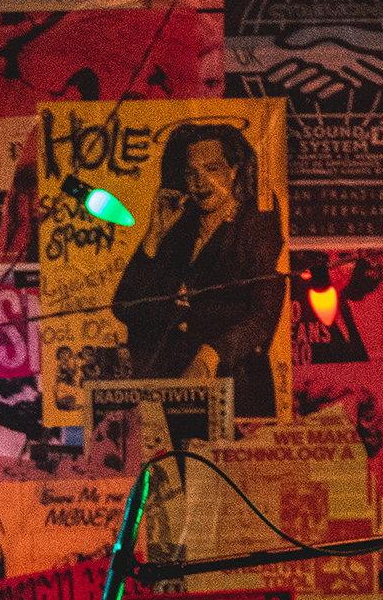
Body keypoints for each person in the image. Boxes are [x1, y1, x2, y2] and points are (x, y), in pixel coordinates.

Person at [107, 120, 286, 413]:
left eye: (212, 169)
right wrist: (154, 234)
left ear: (233, 170)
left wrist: (211, 354)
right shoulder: (180, 223)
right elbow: (124, 307)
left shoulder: (256, 222)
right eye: (191, 172)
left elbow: (264, 313)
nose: (200, 182)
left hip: (232, 388)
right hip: (169, 390)